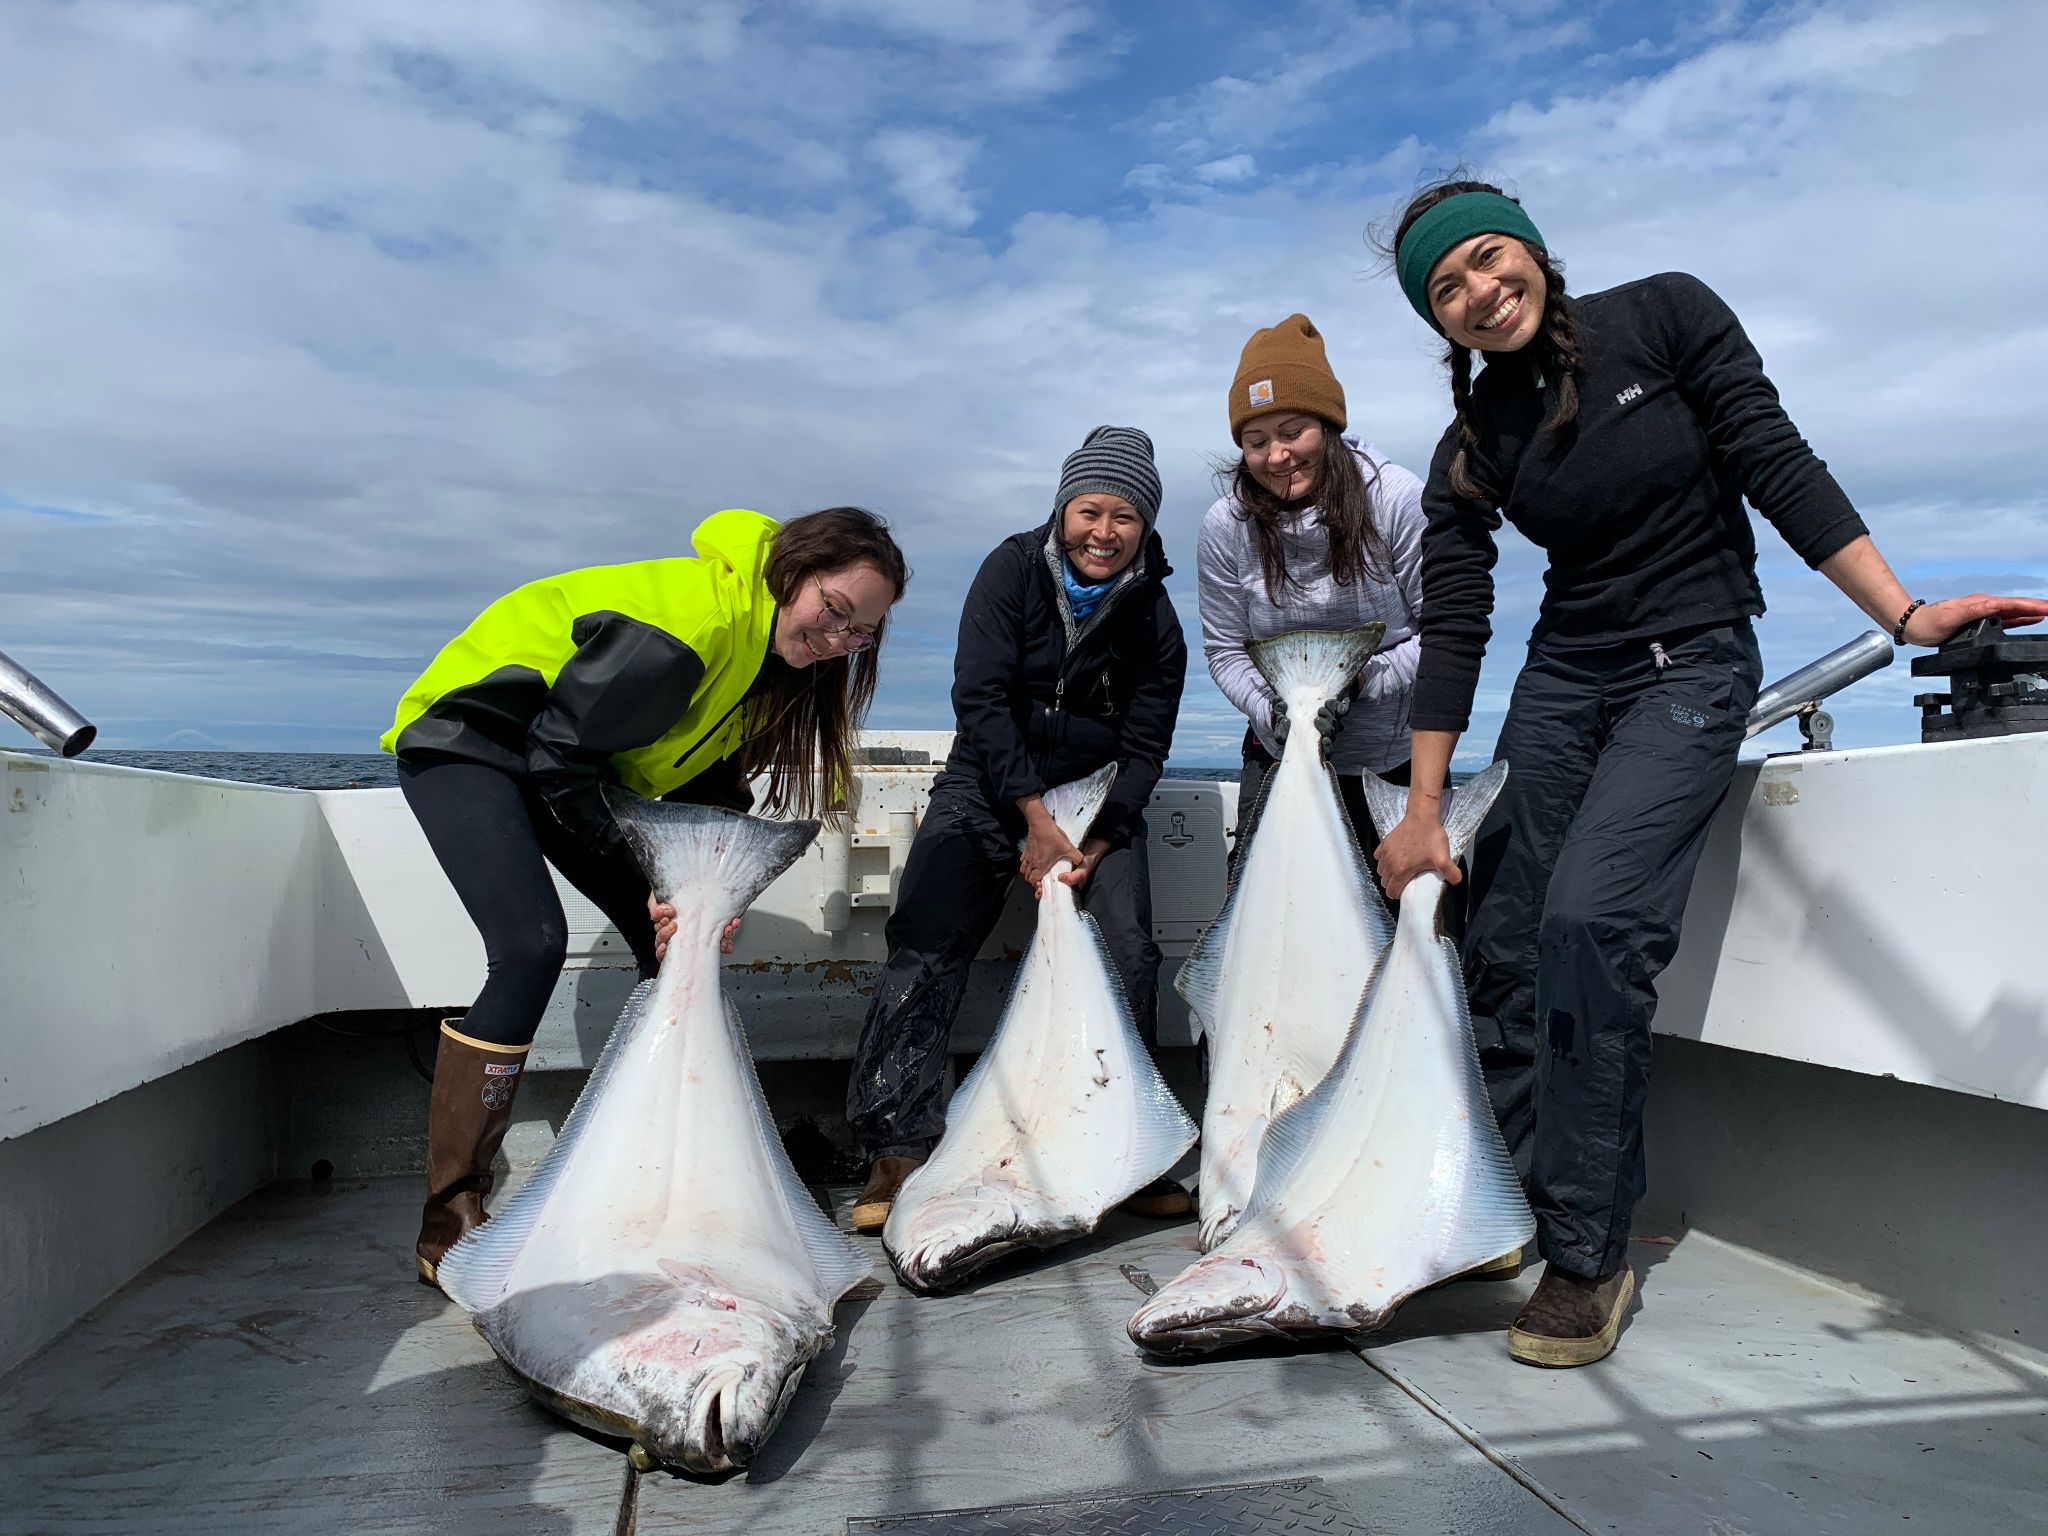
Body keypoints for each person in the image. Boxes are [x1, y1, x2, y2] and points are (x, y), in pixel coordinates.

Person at [1372, 179, 2048, 1368]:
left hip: (1691, 661)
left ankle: (1587, 1257)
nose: (1480, 292)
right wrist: (1424, 810)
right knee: (1504, 935)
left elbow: (1774, 463)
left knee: (1591, 919)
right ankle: (1511, 1201)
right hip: (1563, 681)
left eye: (1488, 260)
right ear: (1440, 325)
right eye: (1448, 290)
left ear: (1529, 251)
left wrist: (1902, 612)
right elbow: (1458, 622)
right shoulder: (1471, 447)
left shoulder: (1665, 315)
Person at [382, 506, 910, 1289]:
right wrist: (651, 879)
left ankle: (665, 1174)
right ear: (793, 573)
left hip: (573, 766)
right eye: (834, 610)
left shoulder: (773, 665)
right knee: (530, 946)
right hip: (474, 742)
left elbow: (702, 781)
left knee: (670, 944)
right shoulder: (692, 627)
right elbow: (559, 757)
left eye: (859, 632)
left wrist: (687, 889)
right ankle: (448, 1217)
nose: (838, 640)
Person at [844, 426, 1190, 1232]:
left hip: (1098, 799)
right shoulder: (1009, 570)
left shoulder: (1157, 616)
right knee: (927, 933)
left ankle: (1125, 1146)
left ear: (1146, 527)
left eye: (1125, 517)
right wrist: (1034, 819)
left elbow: (1146, 745)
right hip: (989, 783)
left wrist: (1096, 841)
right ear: (1063, 508)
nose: (1104, 533)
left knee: (1129, 948)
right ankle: (895, 1149)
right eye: (1090, 511)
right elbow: (981, 698)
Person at [1196, 313, 1428, 900]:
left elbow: (1440, 633)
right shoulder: (1226, 527)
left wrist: (1359, 683)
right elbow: (1224, 650)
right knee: (1259, 920)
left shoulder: (1398, 500)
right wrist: (1276, 712)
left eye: (1292, 431)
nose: (1277, 455)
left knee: (1400, 931)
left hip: (1390, 764)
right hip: (1277, 757)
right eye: (1255, 441)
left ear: (1326, 424)